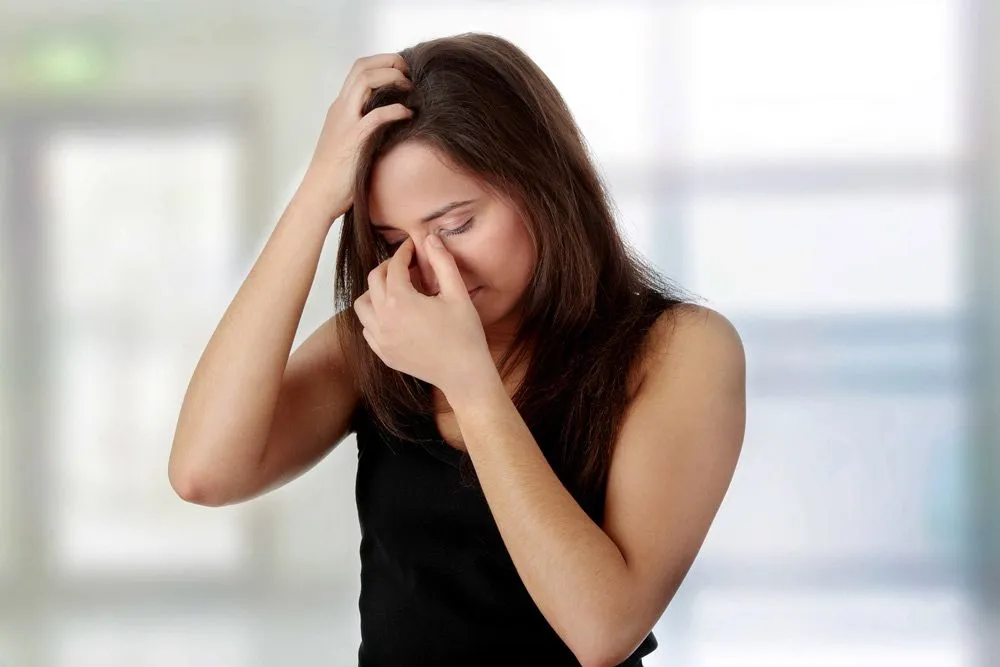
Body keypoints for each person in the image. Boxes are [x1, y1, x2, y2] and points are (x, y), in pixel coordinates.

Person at [169, 32, 746, 667]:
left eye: (456, 225)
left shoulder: (678, 350)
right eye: (393, 239)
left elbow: (603, 632)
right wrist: (314, 199)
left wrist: (469, 382)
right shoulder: (377, 340)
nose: (429, 264)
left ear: (545, 186)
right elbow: (204, 474)